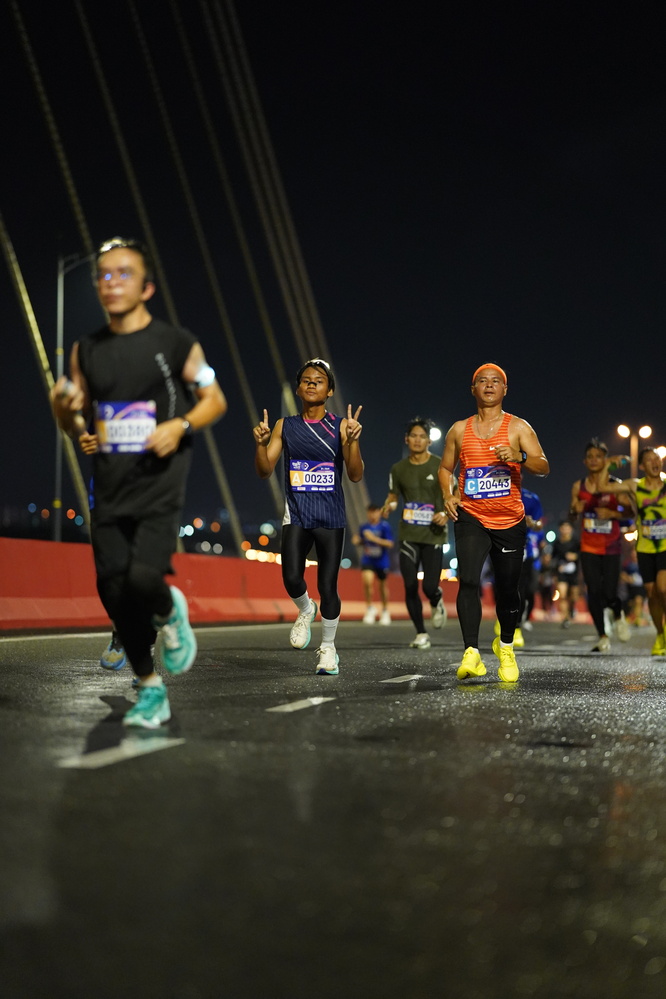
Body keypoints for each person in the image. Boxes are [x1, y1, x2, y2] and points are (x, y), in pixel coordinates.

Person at [50, 236, 227, 727]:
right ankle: (150, 687)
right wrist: (70, 417)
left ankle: (169, 610)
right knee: (113, 591)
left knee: (143, 580)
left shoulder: (176, 344)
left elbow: (214, 399)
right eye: (104, 275)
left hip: (159, 482)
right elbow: (73, 418)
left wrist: (180, 425)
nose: (112, 283)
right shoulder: (86, 350)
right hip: (109, 487)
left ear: (146, 287)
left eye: (123, 273)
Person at [439, 363, 549, 681]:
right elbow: (445, 469)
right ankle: (471, 653)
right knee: (469, 580)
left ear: (505, 390)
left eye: (496, 381)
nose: (489, 385)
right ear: (473, 389)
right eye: (482, 381)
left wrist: (520, 457)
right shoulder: (459, 429)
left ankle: (506, 647)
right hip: (471, 516)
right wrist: (448, 494)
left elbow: (543, 465)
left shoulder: (518, 427)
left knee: (508, 590)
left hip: (510, 520)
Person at [252, 359, 363, 674]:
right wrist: (260, 445)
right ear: (299, 389)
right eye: (306, 380)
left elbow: (355, 475)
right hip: (297, 514)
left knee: (328, 585)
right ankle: (305, 608)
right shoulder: (284, 426)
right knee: (291, 578)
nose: (312, 383)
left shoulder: (341, 427)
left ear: (329, 391)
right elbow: (264, 470)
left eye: (319, 380)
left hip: (330, 516)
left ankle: (328, 649)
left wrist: (353, 442)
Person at [382, 417, 448, 649]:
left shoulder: (441, 466)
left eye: (422, 436)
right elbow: (393, 496)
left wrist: (445, 513)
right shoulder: (398, 469)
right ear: (406, 439)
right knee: (410, 584)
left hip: (433, 534)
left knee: (428, 586)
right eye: (413, 436)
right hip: (408, 533)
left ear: (429, 441)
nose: (418, 440)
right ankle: (421, 633)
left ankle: (436, 598)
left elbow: (454, 495)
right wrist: (388, 506)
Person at [599, 448, 666, 655]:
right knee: (651, 593)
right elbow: (602, 486)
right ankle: (660, 634)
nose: (655, 462)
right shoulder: (636, 486)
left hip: (665, 546)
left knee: (663, 588)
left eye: (657, 458)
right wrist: (609, 464)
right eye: (649, 460)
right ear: (642, 466)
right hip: (645, 548)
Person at [569, 438, 632, 652]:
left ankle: (617, 613)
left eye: (599, 456)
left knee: (610, 592)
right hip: (588, 547)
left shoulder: (615, 485)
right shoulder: (579, 486)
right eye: (590, 457)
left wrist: (613, 513)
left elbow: (631, 512)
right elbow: (572, 514)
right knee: (594, 591)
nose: (594, 460)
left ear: (606, 460)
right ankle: (603, 636)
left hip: (612, 547)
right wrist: (575, 509)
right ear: (584, 461)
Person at [352, 504, 395, 624]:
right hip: (368, 559)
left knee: (382, 586)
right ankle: (370, 608)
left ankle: (385, 610)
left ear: (379, 512)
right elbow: (360, 540)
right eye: (370, 512)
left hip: (381, 560)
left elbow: (390, 544)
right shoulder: (364, 527)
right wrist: (357, 541)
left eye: (375, 512)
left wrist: (373, 539)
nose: (372, 514)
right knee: (367, 582)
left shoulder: (384, 526)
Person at [549, 520, 580, 627]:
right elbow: (553, 558)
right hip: (561, 573)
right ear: (560, 529)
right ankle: (565, 619)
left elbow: (582, 555)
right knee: (562, 595)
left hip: (574, 573)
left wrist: (575, 556)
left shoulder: (576, 542)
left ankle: (572, 609)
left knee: (573, 596)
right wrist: (555, 570)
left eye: (567, 528)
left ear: (571, 529)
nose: (565, 530)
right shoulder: (557, 543)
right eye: (563, 528)